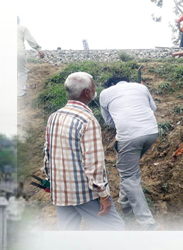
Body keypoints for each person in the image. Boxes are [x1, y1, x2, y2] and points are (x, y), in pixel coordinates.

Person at [45, 72, 125, 231]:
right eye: (93, 85)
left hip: (60, 190)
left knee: (68, 235)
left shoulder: (54, 117)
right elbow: (93, 163)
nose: (96, 88)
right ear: (87, 93)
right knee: (115, 229)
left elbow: (47, 152)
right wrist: (103, 195)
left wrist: (50, 178)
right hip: (84, 193)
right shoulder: (87, 120)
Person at [99, 75, 159, 230]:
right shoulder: (141, 87)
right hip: (152, 132)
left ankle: (147, 224)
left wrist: (122, 122)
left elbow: (108, 122)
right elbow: (153, 109)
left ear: (111, 84)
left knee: (129, 176)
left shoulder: (105, 93)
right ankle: (125, 206)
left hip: (129, 136)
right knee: (129, 172)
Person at [17, 16, 46, 97]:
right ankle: (19, 93)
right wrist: (39, 49)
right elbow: (30, 39)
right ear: (18, 21)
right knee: (22, 72)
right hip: (18, 52)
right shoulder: (22, 28)